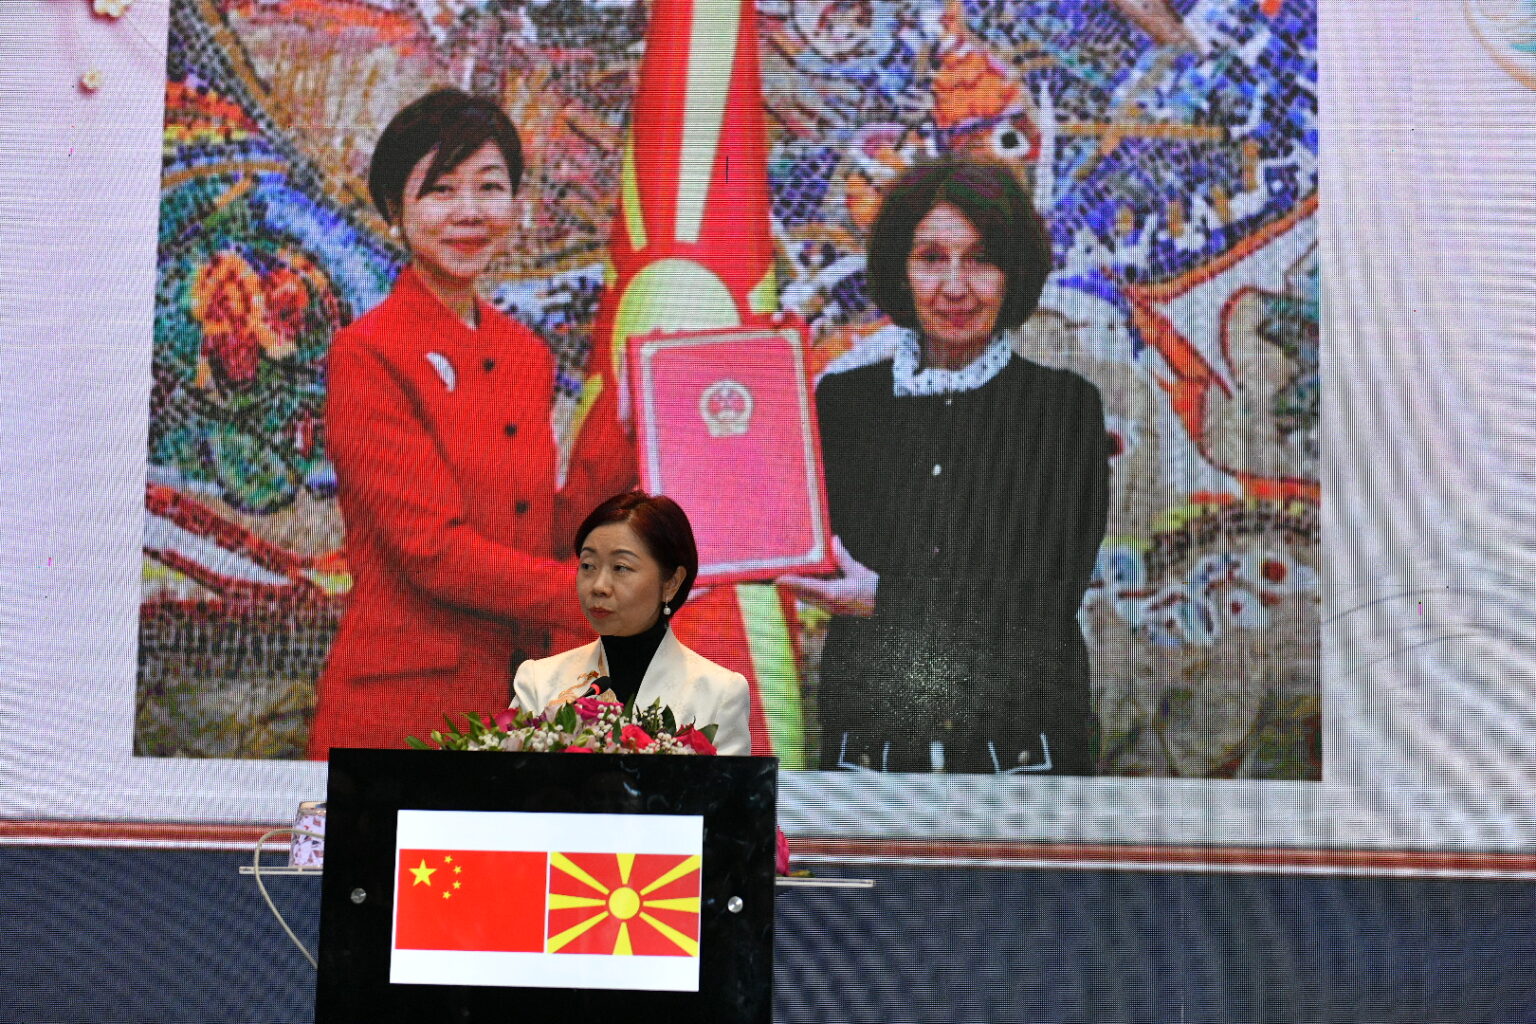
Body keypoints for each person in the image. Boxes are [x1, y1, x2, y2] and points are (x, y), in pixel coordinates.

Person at [306, 88, 632, 756]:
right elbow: (433, 551)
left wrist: (629, 422)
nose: (469, 212)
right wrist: (587, 595)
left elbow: (541, 530)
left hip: (518, 705)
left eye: (490, 187)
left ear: (515, 203)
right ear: (394, 208)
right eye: (441, 190)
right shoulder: (368, 353)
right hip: (402, 708)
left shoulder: (525, 353)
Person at [782, 155, 1110, 775]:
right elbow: (767, 524)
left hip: (1025, 757)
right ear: (899, 270)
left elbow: (1045, 595)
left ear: (1013, 272)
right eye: (931, 258)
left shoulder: (1065, 409)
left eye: (981, 258)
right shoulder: (843, 403)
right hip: (871, 760)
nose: (955, 287)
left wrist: (884, 599)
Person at [512, 491, 751, 755]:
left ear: (671, 583)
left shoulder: (720, 693)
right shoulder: (539, 681)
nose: (599, 586)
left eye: (621, 568)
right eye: (588, 566)